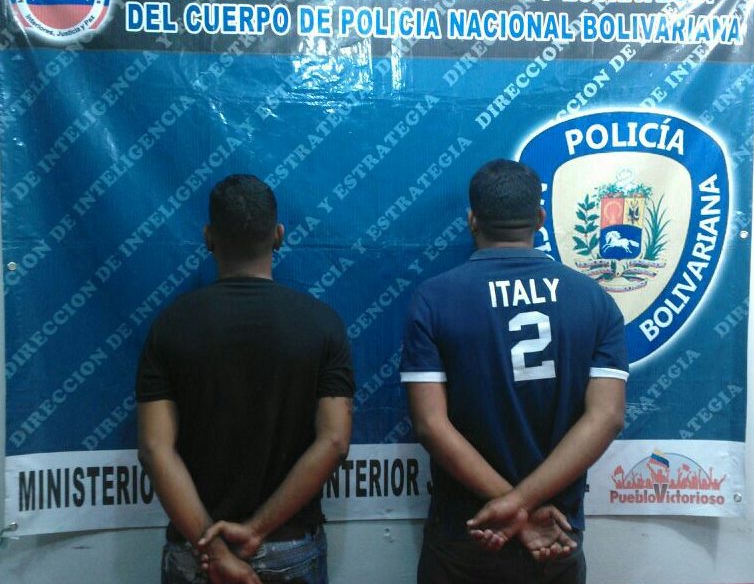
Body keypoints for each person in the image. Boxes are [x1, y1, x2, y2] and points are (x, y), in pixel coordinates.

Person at [400, 159, 628, 584]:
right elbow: (607, 417)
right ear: (540, 219)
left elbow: (431, 425)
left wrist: (512, 507)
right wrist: (526, 508)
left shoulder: (433, 298)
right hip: (556, 534)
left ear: (472, 220)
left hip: (468, 532)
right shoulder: (594, 299)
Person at [136, 174, 355, 584]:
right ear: (278, 235)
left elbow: (154, 448)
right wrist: (256, 530)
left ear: (208, 237)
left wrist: (215, 550)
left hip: (196, 553)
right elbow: (334, 441)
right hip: (290, 546)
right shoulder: (323, 325)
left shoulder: (170, 326)